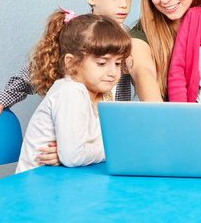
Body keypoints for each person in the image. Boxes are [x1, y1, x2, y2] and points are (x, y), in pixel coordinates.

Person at [0, 0, 136, 166]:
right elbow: (38, 68)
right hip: (71, 143)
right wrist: (5, 97)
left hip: (100, 141)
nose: (124, 5)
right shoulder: (77, 33)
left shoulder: (128, 39)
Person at [16, 11, 131, 173]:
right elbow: (74, 156)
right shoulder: (70, 91)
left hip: (68, 178)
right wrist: (113, 148)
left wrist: (71, 154)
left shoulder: (104, 93)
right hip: (40, 183)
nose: (113, 72)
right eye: (102, 63)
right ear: (71, 63)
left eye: (118, 63)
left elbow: (81, 151)